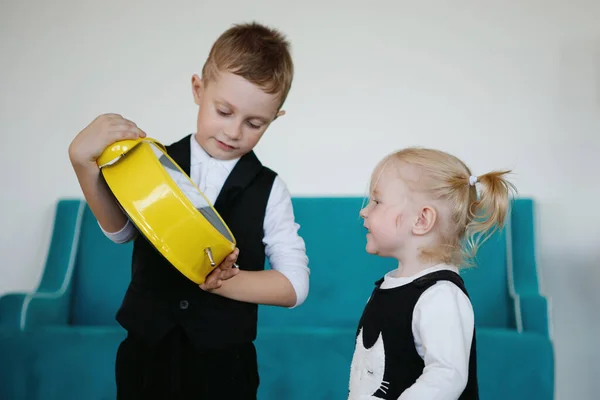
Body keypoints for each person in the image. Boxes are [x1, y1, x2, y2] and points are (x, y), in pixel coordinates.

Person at [68, 21, 309, 400]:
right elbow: (121, 232)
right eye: (224, 111)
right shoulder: (151, 161)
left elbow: (295, 285)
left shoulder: (270, 189)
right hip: (145, 356)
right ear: (198, 89)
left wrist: (228, 283)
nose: (233, 132)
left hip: (226, 367)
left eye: (254, 123)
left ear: (275, 118)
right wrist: (83, 163)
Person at [348, 147, 516, 399]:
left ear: (421, 220)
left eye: (377, 201)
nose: (364, 210)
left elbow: (447, 375)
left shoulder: (440, 295)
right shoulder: (388, 287)